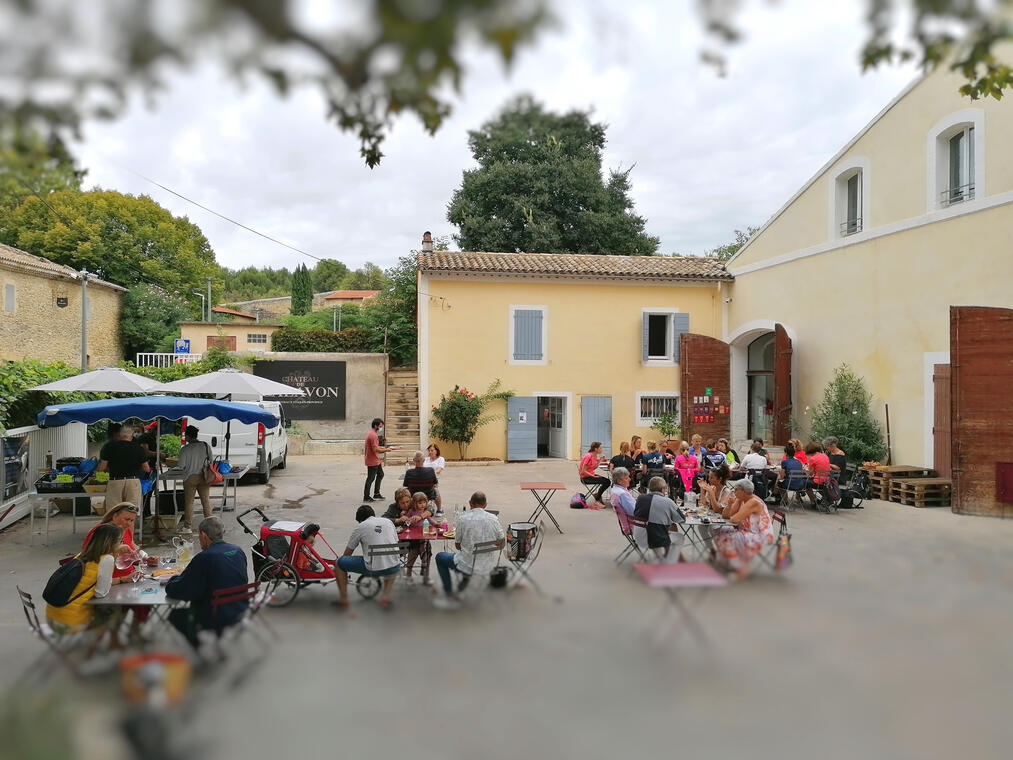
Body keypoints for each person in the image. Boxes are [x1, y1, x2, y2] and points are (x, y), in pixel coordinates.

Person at [165, 517, 249, 648]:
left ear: (203, 535)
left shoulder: (204, 557)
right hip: (240, 608)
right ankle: (217, 638)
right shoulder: (238, 551)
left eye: (198, 535)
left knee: (176, 615)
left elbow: (183, 591)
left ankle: (200, 649)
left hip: (217, 614)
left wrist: (172, 580)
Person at [46, 524, 126, 633]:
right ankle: (103, 647)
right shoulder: (107, 559)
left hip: (53, 616)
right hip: (68, 622)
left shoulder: (82, 554)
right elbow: (100, 593)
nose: (123, 544)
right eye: (121, 541)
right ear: (112, 542)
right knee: (116, 611)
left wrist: (122, 579)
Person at [433, 491, 506, 610]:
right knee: (468, 555)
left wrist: (468, 547)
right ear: (485, 505)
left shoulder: (463, 519)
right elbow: (502, 543)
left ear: (470, 503)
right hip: (486, 565)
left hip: (466, 564)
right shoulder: (493, 519)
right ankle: (465, 580)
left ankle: (449, 593)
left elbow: (457, 545)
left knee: (440, 557)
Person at [333, 504, 401, 608]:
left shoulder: (361, 527)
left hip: (374, 568)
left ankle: (343, 599)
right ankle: (385, 597)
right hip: (395, 567)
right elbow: (395, 541)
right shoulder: (388, 522)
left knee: (339, 563)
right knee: (390, 559)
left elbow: (347, 553)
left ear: (360, 520)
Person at [712, 479, 775, 578]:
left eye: (736, 490)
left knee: (729, 537)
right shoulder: (742, 499)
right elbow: (727, 515)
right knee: (719, 530)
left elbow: (735, 519)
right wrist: (730, 504)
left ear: (744, 491)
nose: (733, 492)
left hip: (759, 534)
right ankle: (729, 563)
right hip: (745, 529)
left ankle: (740, 567)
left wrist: (734, 515)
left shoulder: (753, 502)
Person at [82, 502, 148, 580]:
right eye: (126, 519)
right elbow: (92, 564)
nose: (129, 524)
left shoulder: (126, 530)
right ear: (115, 516)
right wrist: (123, 579)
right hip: (110, 583)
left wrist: (144, 560)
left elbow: (128, 558)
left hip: (130, 579)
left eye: (132, 520)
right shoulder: (102, 532)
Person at [383, 489, 434, 584]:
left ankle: (424, 573)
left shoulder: (414, 503)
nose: (406, 505)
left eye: (407, 501)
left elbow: (430, 508)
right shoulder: (393, 508)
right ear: (397, 503)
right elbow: (383, 519)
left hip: (418, 535)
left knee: (426, 547)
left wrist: (421, 516)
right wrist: (398, 520)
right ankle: (411, 574)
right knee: (415, 549)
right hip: (403, 540)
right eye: (402, 503)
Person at [97, 425, 151, 509]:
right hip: (133, 482)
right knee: (131, 510)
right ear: (131, 435)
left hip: (115, 481)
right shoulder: (138, 448)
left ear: (120, 435)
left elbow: (102, 468)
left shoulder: (109, 447)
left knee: (114, 511)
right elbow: (146, 468)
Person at [632, 476, 685, 562]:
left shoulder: (640, 498)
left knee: (657, 529)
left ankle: (659, 560)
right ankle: (669, 563)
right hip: (653, 540)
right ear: (663, 489)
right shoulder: (668, 501)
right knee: (679, 538)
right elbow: (681, 519)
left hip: (638, 537)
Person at [176, 425, 213, 531]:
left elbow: (181, 465)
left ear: (188, 436)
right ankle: (210, 525)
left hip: (190, 477)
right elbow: (211, 460)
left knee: (189, 502)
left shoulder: (185, 449)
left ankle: (188, 527)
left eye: (185, 435)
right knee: (205, 501)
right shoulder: (205, 445)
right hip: (204, 476)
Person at [363, 418, 395, 502]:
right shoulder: (373, 435)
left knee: (380, 474)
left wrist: (384, 448)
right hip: (372, 460)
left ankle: (376, 494)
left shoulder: (371, 433)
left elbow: (376, 447)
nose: (381, 428)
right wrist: (386, 450)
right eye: (380, 426)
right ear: (375, 425)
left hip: (375, 460)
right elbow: (375, 450)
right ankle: (366, 497)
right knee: (370, 478)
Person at [578, 441, 610, 506]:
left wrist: (600, 460)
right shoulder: (588, 456)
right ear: (596, 449)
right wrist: (593, 476)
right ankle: (597, 498)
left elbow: (593, 468)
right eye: (600, 448)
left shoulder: (594, 456)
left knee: (607, 481)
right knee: (607, 482)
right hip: (585, 478)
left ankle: (598, 495)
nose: (602, 449)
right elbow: (583, 471)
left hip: (590, 475)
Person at [423, 443, 446, 509]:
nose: (430, 452)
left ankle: (439, 509)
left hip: (433, 480)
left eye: (432, 450)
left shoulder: (440, 459)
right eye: (429, 450)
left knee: (435, 492)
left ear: (436, 451)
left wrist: (428, 473)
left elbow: (438, 470)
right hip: (423, 479)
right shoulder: (426, 459)